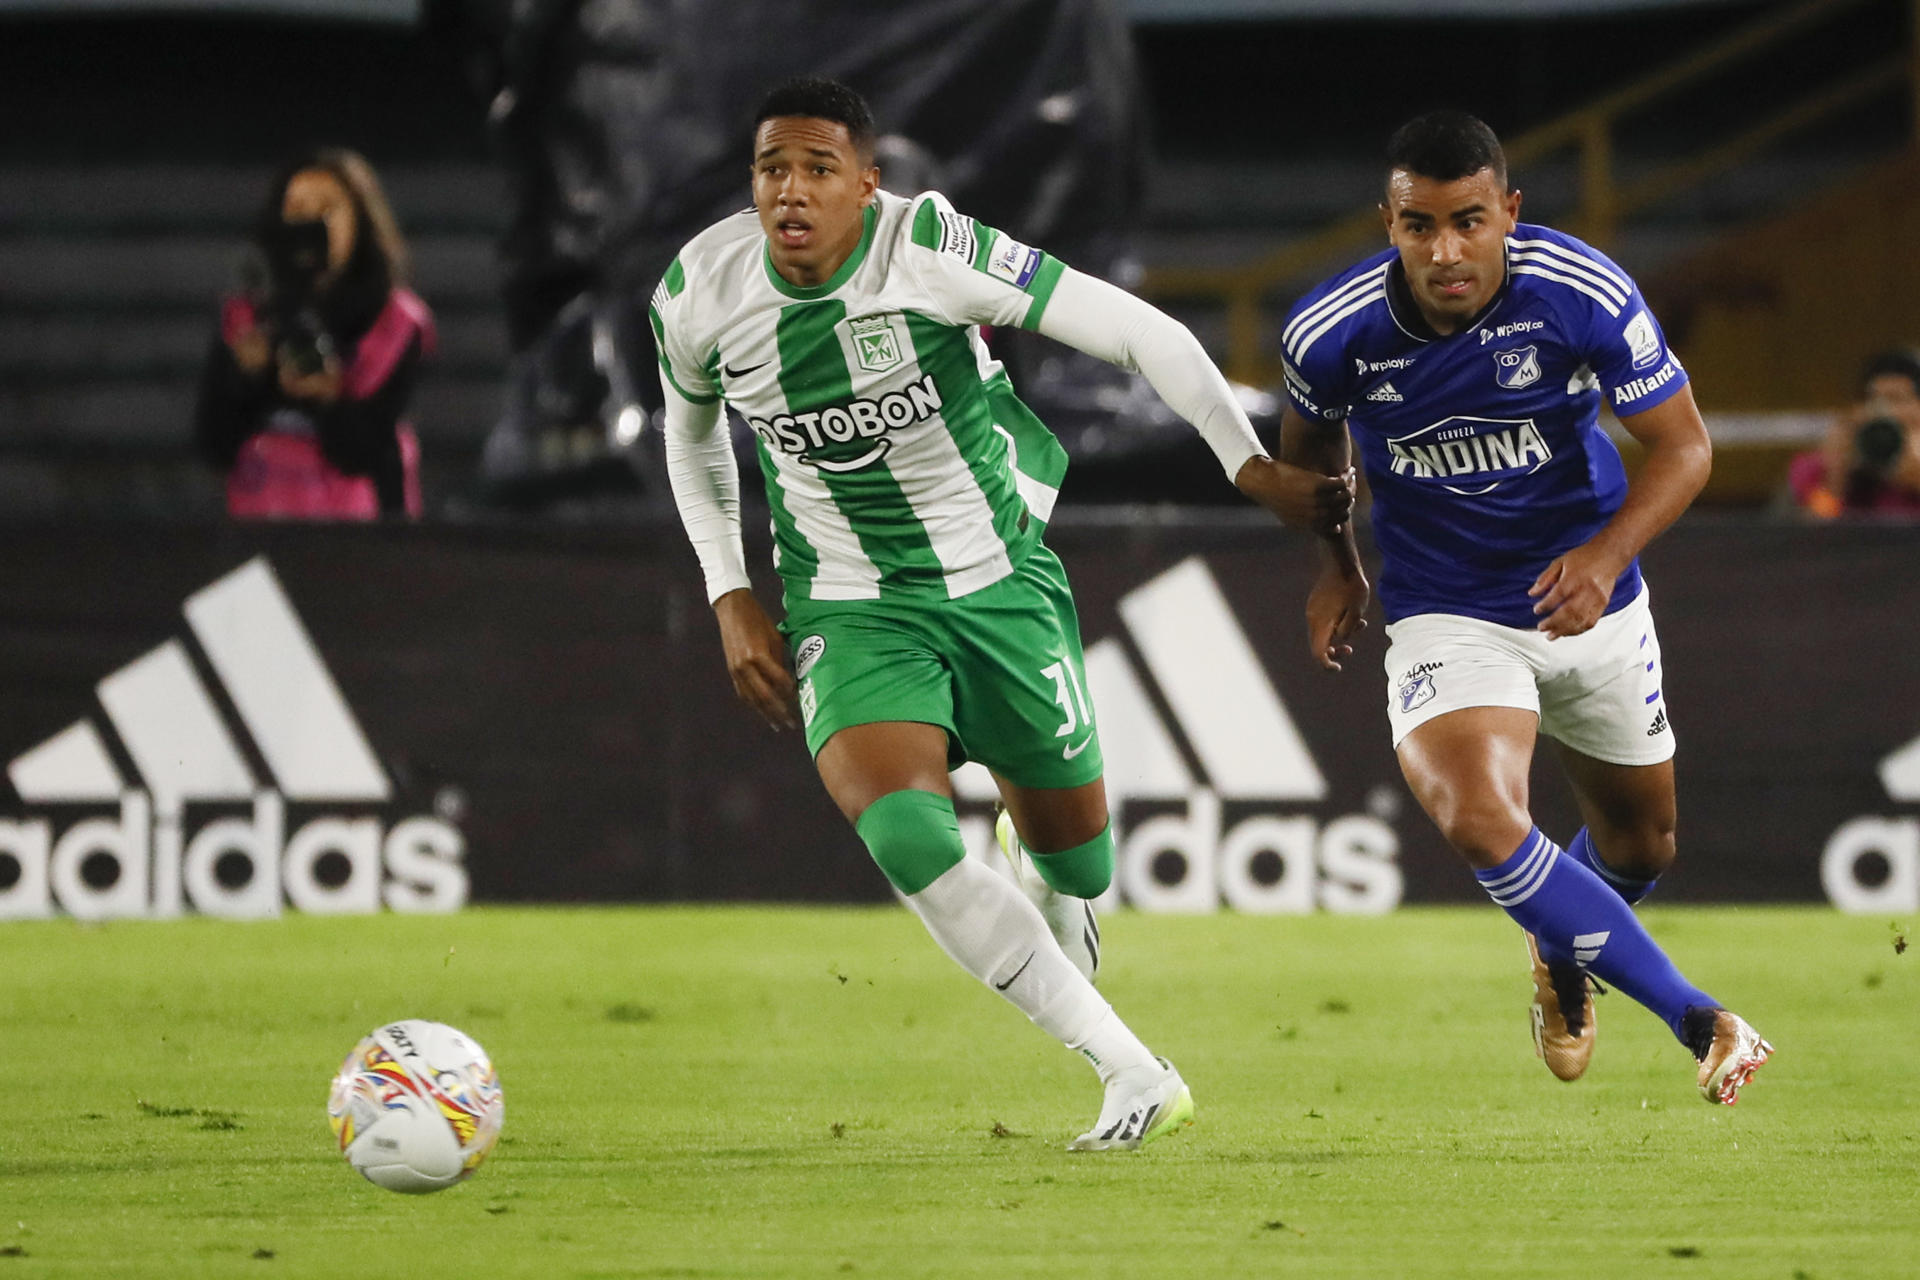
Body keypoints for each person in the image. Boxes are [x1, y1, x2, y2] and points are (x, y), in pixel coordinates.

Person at [653, 77, 1351, 1150]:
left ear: (868, 185)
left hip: (996, 577)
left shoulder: (932, 246)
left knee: (1081, 865)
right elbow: (692, 435)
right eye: (770, 169)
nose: (789, 191)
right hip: (849, 599)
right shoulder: (700, 291)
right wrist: (729, 591)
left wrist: (1247, 465)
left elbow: (1138, 332)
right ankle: (1133, 1071)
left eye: (817, 170)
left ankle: (1042, 848)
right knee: (905, 831)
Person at [1275, 111, 1771, 1105]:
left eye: (1468, 221)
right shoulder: (1329, 333)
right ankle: (1701, 1017)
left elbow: (1686, 448)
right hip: (1446, 611)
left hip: (1591, 599)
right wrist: (1339, 562)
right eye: (1419, 226)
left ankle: (1562, 954)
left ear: (1509, 212)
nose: (1445, 251)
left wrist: (1603, 555)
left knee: (1642, 844)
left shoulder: (1579, 293)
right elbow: (1311, 454)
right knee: (1480, 816)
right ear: (1389, 223)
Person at [195, 148, 433, 519]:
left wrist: (330, 400)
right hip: (261, 526)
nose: (310, 223)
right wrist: (244, 377)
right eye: (297, 208)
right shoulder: (245, 317)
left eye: (327, 208)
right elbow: (213, 446)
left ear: (360, 220)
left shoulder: (396, 322)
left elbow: (366, 454)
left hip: (360, 535)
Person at [1788, 347, 1920, 517]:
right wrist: (1835, 479)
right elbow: (1814, 533)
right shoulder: (1816, 468)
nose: (1884, 412)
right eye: (1872, 401)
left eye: (1897, 399)